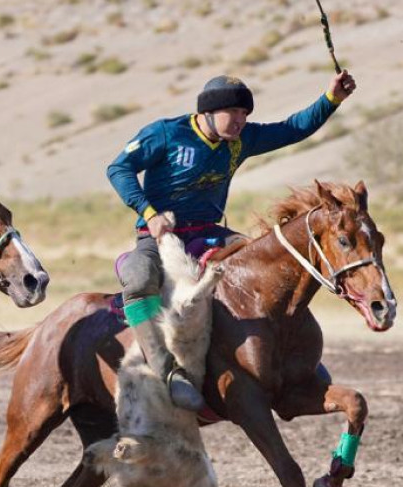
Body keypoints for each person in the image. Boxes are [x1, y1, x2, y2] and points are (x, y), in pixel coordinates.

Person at [107, 70, 357, 411]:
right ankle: (166, 371)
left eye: (245, 115)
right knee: (138, 277)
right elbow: (118, 169)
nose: (240, 121)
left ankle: (293, 360)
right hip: (164, 236)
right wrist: (150, 214)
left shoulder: (240, 141)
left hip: (211, 232)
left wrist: (331, 99)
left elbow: (293, 128)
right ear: (208, 112)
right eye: (234, 114)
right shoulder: (166, 134)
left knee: (268, 263)